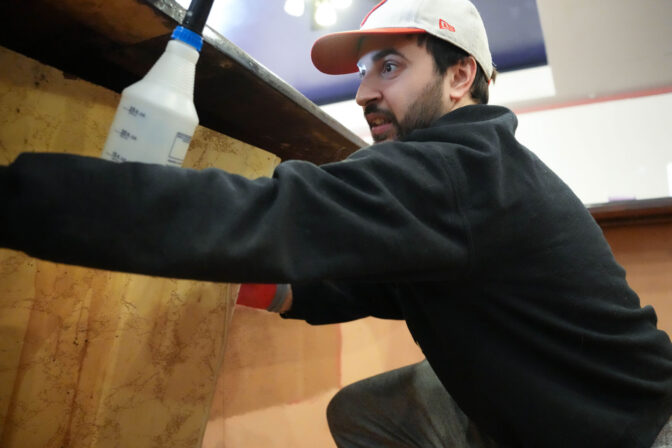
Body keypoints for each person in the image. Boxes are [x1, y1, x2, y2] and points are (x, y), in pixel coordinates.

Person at [1, 0, 672, 446]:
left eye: (390, 66)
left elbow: (272, 213)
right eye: (361, 71)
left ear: (461, 75)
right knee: (366, 412)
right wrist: (249, 283)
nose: (362, 93)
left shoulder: (458, 174)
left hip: (630, 429)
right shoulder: (464, 181)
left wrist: (15, 195)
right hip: (545, 396)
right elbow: (368, 279)